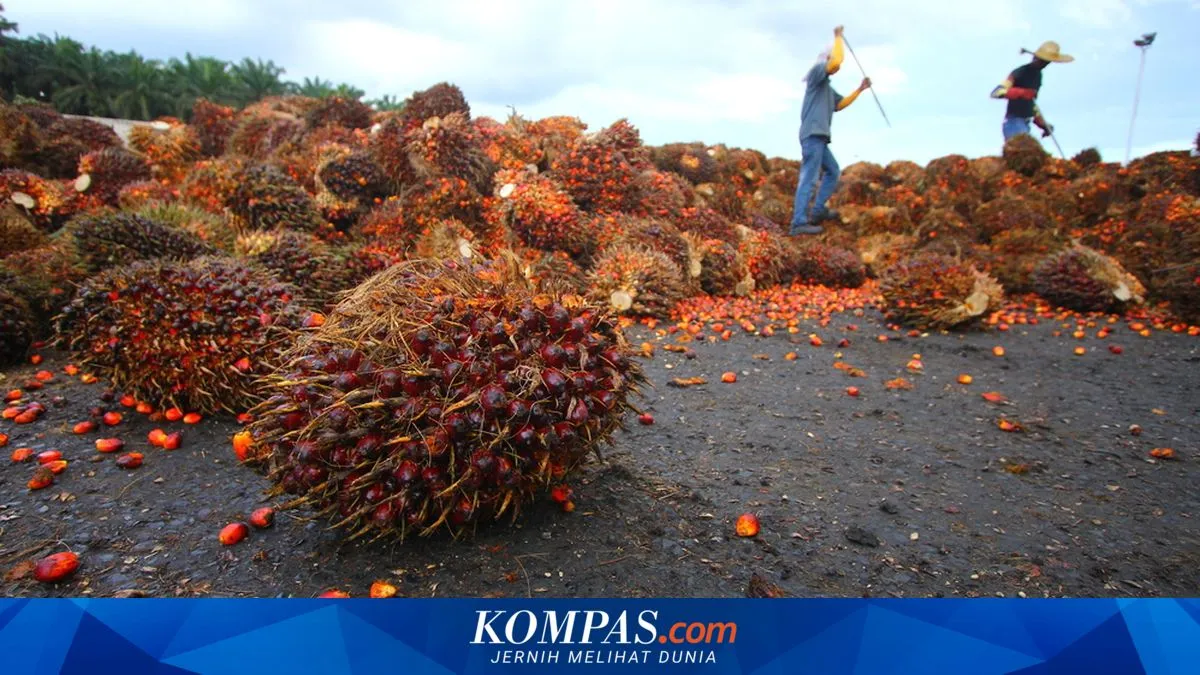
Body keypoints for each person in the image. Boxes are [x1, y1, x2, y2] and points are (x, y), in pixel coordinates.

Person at [789, 25, 872, 236]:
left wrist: (860, 90)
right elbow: (836, 62)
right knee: (809, 177)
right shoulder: (816, 74)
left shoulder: (826, 87)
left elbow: (840, 104)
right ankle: (798, 223)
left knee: (833, 171)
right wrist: (838, 38)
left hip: (820, 138)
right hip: (812, 136)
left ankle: (817, 212)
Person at [990, 41, 1073, 142]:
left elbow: (1032, 103)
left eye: (1047, 62)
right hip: (1013, 122)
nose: (1045, 64)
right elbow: (997, 92)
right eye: (1043, 61)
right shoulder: (1020, 72)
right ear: (1036, 58)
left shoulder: (1038, 76)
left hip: (1025, 123)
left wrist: (1042, 123)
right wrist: (1021, 93)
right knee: (1024, 152)